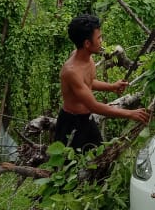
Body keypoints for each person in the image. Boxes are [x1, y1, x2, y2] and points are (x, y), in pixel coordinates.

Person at [55, 14, 150, 150]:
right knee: (69, 168)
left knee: (99, 161)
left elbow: (89, 82)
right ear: (87, 43)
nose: (101, 40)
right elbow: (94, 106)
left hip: (87, 119)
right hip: (71, 124)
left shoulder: (87, 57)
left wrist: (111, 87)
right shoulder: (71, 71)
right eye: (99, 37)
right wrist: (130, 113)